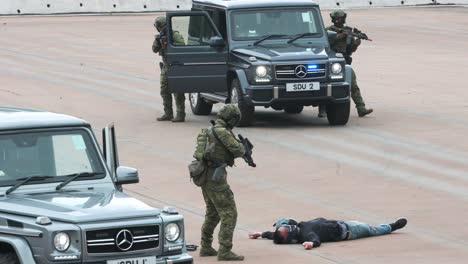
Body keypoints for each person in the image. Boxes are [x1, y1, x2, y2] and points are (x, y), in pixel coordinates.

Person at [197, 104, 247, 261]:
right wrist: (243, 148)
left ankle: (205, 247)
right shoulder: (222, 132)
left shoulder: (209, 130)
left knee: (212, 214)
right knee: (229, 213)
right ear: (231, 119)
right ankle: (225, 250)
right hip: (216, 179)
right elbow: (238, 150)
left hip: (205, 176)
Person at [319, 10, 373, 118]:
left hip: (343, 61)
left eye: (342, 18)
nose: (340, 21)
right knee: (326, 85)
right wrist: (341, 36)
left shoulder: (347, 31)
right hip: (331, 61)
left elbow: (349, 50)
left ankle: (361, 108)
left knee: (353, 84)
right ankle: (322, 110)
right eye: (338, 18)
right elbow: (325, 44)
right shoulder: (328, 31)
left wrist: (356, 43)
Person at [249, 217, 407, 249]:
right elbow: (315, 239)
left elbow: (273, 235)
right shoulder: (305, 234)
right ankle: (391, 226)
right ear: (289, 237)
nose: (287, 226)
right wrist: (311, 244)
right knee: (372, 230)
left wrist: (261, 234)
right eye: (285, 229)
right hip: (351, 230)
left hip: (339, 222)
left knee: (282, 219)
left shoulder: (295, 228)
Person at [152, 17, 186, 122]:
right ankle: (168, 113)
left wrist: (170, 43)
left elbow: (182, 45)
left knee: (178, 91)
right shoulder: (160, 36)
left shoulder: (174, 35)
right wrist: (159, 41)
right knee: (164, 90)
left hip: (175, 65)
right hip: (166, 66)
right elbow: (154, 49)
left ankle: (180, 114)